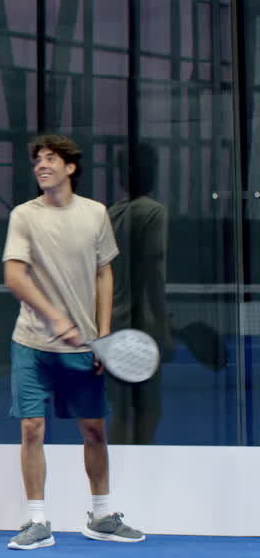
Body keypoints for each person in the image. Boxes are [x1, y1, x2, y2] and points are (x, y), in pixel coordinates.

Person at [1, 134, 146, 550]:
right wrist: (55, 318)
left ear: (71, 168)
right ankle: (37, 521)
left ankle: (101, 516)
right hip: (31, 342)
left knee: (95, 431)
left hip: (84, 347)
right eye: (37, 161)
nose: (41, 166)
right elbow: (15, 276)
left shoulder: (96, 214)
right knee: (32, 428)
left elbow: (105, 272)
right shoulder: (24, 216)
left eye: (51, 159)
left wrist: (101, 333)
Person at [107, 144, 171, 445]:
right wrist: (163, 329)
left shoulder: (111, 214)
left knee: (120, 412)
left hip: (112, 326)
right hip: (142, 328)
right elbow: (153, 276)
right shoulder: (153, 212)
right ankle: (141, 471)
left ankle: (117, 477)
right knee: (149, 410)